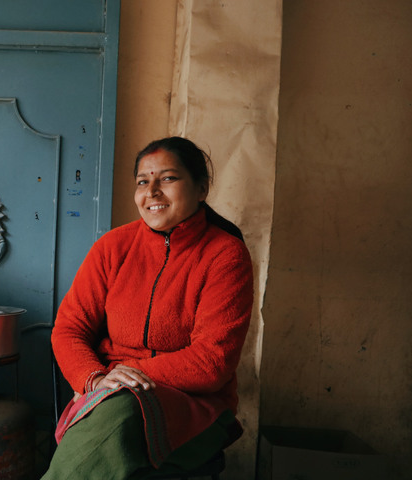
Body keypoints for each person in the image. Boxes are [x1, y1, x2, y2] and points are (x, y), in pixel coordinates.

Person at [43, 137, 254, 479]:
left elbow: (212, 361)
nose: (152, 191)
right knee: (115, 410)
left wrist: (125, 375)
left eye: (168, 178)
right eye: (143, 181)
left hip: (194, 406)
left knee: (123, 410)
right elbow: (69, 328)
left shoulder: (225, 256)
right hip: (105, 392)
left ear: (201, 188)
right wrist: (95, 379)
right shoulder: (113, 247)